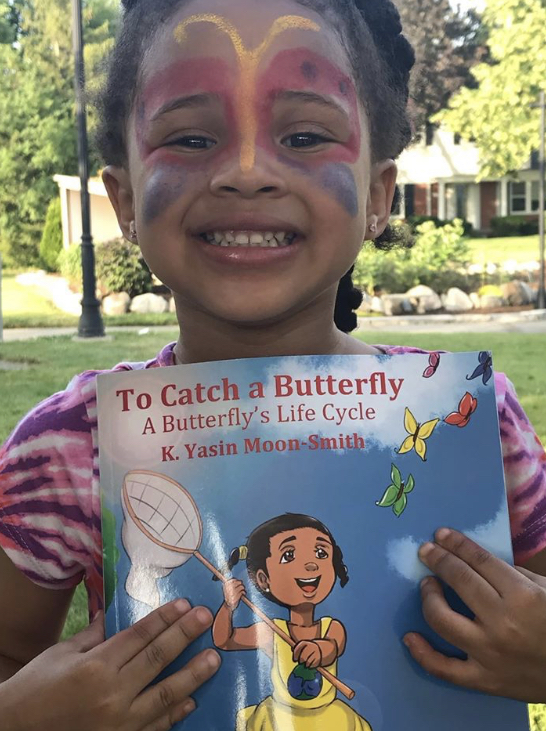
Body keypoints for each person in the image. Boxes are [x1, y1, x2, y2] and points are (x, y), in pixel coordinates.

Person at [1, 0, 546, 727]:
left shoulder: (471, 419)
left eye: (305, 134)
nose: (249, 171)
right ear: (125, 201)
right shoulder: (66, 447)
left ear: (379, 197)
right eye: (192, 137)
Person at [212, 514, 371, 730]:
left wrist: (320, 649)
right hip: (280, 720)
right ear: (263, 579)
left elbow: (333, 646)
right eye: (289, 555)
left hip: (329, 720)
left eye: (321, 553)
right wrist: (228, 607)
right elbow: (225, 641)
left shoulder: (331, 628)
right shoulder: (272, 632)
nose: (311, 564)